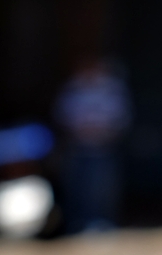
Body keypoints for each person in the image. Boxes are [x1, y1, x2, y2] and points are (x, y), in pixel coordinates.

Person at [54, 57, 132, 233]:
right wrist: (79, 131)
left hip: (104, 148)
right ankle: (77, 223)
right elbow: (62, 116)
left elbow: (121, 117)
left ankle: (102, 223)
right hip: (78, 148)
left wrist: (103, 131)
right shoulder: (73, 88)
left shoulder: (111, 88)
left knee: (102, 189)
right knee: (77, 188)